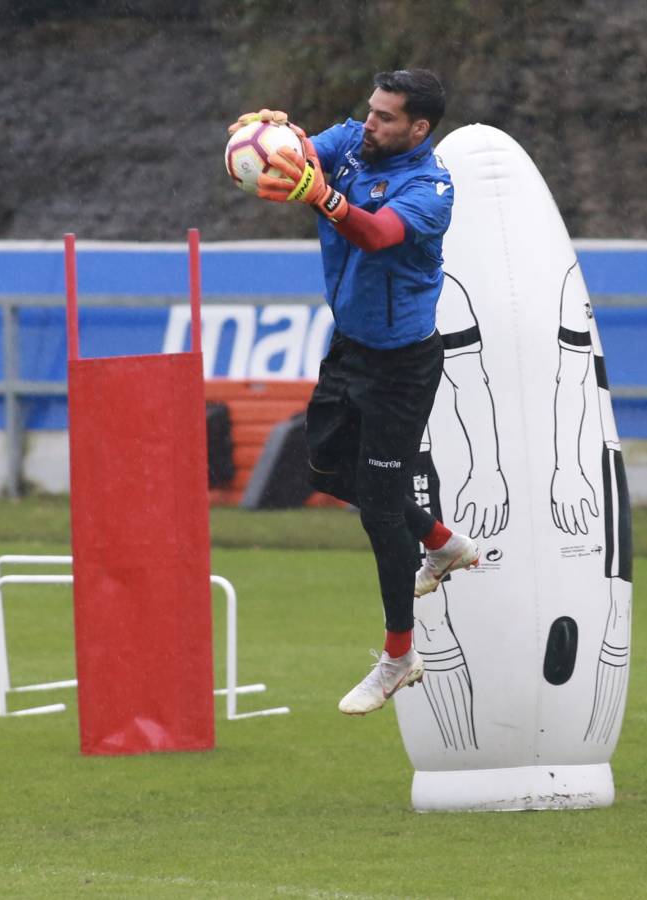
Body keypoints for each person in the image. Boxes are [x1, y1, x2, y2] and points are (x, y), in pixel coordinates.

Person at [229, 69, 479, 716]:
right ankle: (442, 541)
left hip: (401, 367)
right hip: (348, 349)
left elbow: (373, 234)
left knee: (377, 509)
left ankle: (399, 657)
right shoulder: (352, 140)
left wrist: (320, 198)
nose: (369, 123)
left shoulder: (430, 188)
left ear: (417, 129)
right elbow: (305, 157)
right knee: (325, 471)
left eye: (385, 117)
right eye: (370, 111)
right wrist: (272, 138)